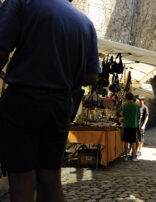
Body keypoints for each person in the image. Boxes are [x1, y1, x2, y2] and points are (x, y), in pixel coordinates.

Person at [0, 0, 100, 201]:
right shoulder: (85, 23)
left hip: (24, 98)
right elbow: (91, 77)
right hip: (61, 104)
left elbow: (1, 49)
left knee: (21, 181)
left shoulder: (23, 2)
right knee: (51, 178)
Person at [122, 93, 140, 161]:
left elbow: (123, 114)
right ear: (132, 98)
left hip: (126, 125)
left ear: (126, 98)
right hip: (133, 125)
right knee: (133, 141)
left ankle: (126, 156)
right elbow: (138, 115)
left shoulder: (125, 105)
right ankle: (134, 157)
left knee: (126, 141)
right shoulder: (136, 105)